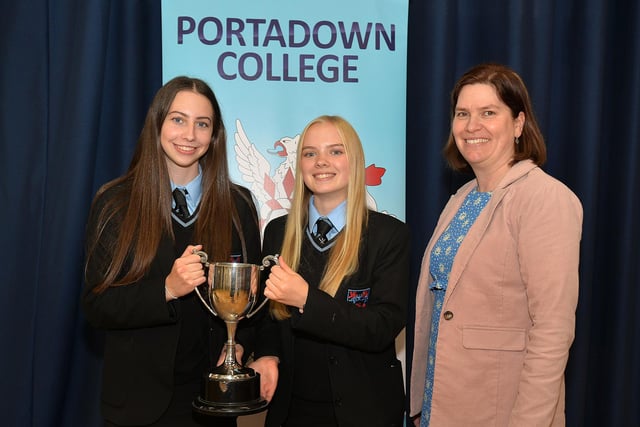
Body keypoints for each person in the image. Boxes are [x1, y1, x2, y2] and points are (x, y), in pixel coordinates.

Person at [82, 76, 278, 426]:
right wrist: (167, 290)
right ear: (157, 124)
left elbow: (253, 301)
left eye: (202, 124)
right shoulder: (115, 203)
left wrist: (240, 345)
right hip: (137, 407)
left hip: (213, 402)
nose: (189, 135)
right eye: (178, 119)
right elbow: (97, 307)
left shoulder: (239, 205)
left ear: (214, 135)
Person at [409, 63, 583, 426]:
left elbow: (552, 329)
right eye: (463, 114)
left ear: (518, 124)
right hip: (443, 399)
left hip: (500, 408)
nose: (472, 126)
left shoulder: (544, 199)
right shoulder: (462, 197)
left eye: (488, 112)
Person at [260, 115, 410, 427]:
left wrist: (306, 299)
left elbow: (382, 328)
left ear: (354, 161)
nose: (321, 162)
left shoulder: (389, 235)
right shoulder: (277, 232)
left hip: (364, 411)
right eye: (310, 153)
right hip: (291, 412)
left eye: (336, 151)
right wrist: (266, 354)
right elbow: (267, 320)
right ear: (299, 164)